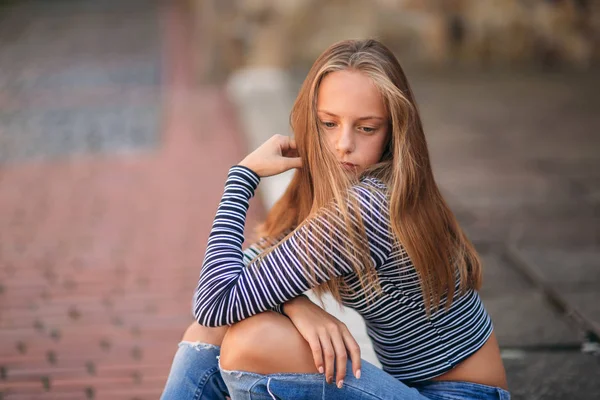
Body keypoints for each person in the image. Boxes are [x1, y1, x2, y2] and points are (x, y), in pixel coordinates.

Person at [161, 39, 510, 400]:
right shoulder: (327, 191)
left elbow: (215, 300)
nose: (343, 144)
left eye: (367, 128)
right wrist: (296, 305)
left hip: (459, 396)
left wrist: (242, 176)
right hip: (408, 390)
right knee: (211, 333)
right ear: (310, 122)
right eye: (329, 123)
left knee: (253, 341)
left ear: (393, 132)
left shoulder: (370, 206)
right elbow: (226, 297)